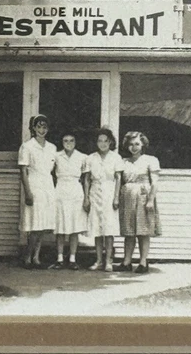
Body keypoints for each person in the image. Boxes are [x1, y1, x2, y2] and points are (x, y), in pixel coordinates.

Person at [117, 131, 161, 274]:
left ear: (142, 144)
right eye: (130, 144)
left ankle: (143, 262)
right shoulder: (124, 161)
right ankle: (126, 261)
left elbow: (154, 183)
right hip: (128, 196)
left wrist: (150, 200)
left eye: (137, 144)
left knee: (143, 231)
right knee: (129, 231)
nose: (134, 147)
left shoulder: (150, 160)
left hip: (143, 196)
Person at [18, 114, 57, 268]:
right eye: (39, 126)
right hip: (34, 185)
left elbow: (54, 170)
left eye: (44, 127)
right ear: (33, 128)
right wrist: (27, 192)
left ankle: (36, 257)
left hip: (47, 186)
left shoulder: (52, 147)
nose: (42, 130)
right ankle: (27, 257)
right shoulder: (27, 146)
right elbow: (23, 170)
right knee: (34, 224)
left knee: (42, 225)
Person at [84, 127, 123, 272]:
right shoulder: (91, 158)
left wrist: (116, 197)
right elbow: (87, 179)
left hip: (109, 192)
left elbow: (118, 178)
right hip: (95, 193)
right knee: (97, 229)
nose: (103, 144)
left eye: (106, 141)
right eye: (100, 141)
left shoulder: (115, 158)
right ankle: (99, 260)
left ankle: (108, 261)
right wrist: (86, 198)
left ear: (111, 142)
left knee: (108, 229)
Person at [49, 132, 89, 270]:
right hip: (60, 191)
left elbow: (86, 178)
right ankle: (59, 259)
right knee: (60, 228)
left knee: (74, 227)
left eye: (71, 140)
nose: (68, 143)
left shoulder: (82, 157)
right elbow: (50, 174)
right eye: (65, 140)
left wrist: (86, 197)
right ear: (62, 142)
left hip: (76, 192)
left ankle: (72, 259)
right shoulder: (56, 156)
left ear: (75, 142)